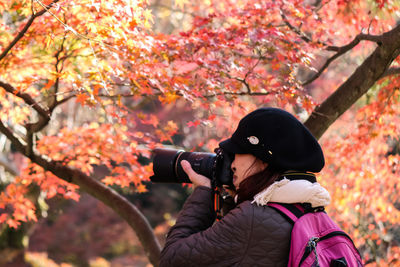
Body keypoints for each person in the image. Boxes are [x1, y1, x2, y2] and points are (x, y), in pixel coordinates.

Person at [159, 107, 331, 267]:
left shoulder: (251, 219)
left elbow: (172, 258)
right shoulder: (311, 211)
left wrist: (204, 191)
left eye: (237, 154)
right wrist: (235, 201)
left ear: (263, 160)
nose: (232, 164)